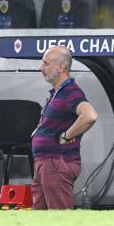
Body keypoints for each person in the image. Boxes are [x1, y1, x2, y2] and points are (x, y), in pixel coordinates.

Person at [32, 46, 98, 210]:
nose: (41, 68)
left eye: (46, 64)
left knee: (59, 218)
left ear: (61, 67)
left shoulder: (70, 92)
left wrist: (67, 136)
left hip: (55, 163)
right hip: (46, 163)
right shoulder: (58, 92)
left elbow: (90, 115)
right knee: (40, 221)